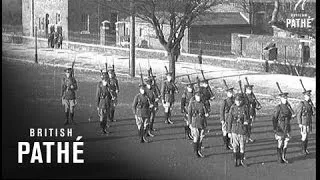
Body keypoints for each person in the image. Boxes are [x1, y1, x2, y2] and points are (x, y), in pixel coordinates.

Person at [227, 93, 249, 167]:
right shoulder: (233, 108)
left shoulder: (245, 108)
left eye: (239, 101)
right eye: (237, 101)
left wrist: (246, 124)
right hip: (234, 130)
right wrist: (229, 131)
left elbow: (247, 118)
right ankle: (235, 160)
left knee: (242, 147)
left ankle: (241, 161)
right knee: (235, 147)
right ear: (235, 101)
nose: (238, 102)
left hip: (242, 130)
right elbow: (229, 120)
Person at [272, 92, 295, 164]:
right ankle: (279, 158)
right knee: (280, 142)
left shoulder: (288, 106)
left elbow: (291, 115)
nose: (285, 99)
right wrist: (275, 129)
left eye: (286, 98)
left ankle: (283, 157)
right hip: (280, 127)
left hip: (287, 126)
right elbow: (274, 119)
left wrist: (292, 115)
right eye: (283, 98)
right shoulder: (278, 107)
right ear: (281, 99)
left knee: (286, 142)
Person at [188, 91, 209, 158]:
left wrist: (207, 114)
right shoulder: (192, 104)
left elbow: (206, 112)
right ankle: (196, 151)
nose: (198, 98)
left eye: (199, 97)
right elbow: (189, 113)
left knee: (201, 138)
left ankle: (199, 151)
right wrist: (190, 122)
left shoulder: (203, 104)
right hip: (195, 122)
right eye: (197, 97)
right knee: (196, 137)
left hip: (202, 122)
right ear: (195, 97)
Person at [296, 90, 315, 156]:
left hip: (308, 122)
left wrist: (312, 105)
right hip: (303, 122)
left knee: (307, 136)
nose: (308, 97)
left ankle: (305, 149)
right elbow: (298, 114)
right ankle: (303, 150)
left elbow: (313, 113)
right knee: (304, 136)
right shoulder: (302, 104)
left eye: (309, 96)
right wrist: (299, 123)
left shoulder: (310, 103)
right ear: (304, 96)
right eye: (307, 96)